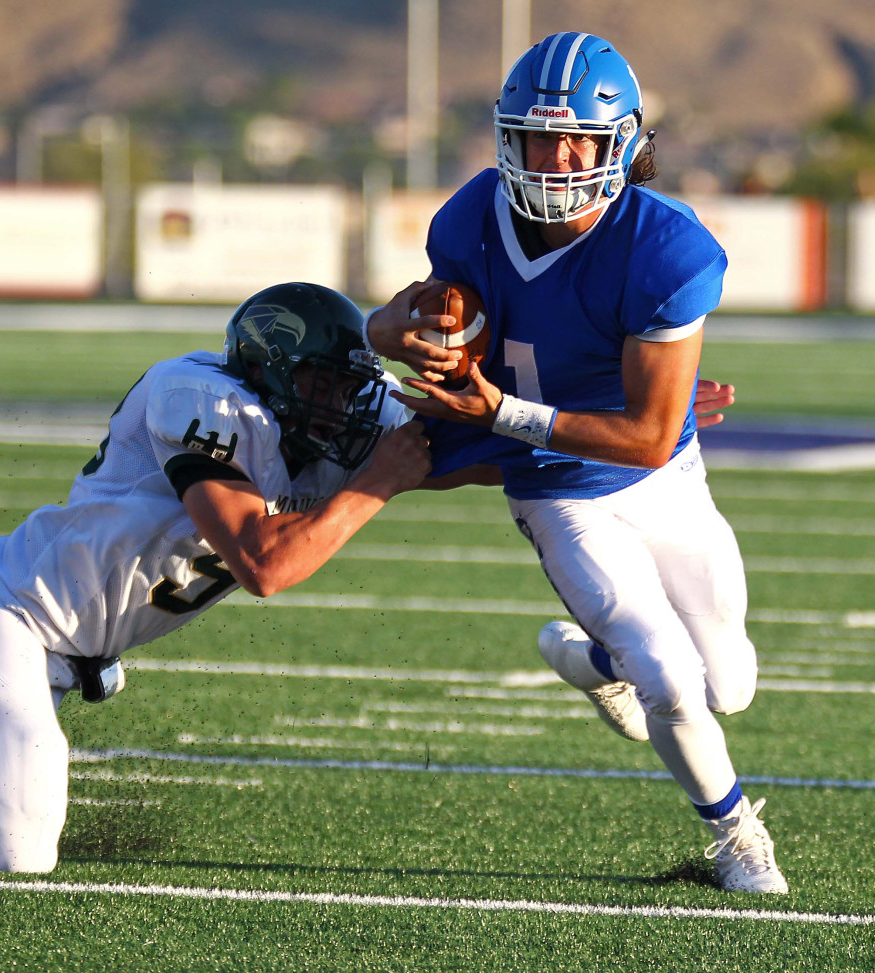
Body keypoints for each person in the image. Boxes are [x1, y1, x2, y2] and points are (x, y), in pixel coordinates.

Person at [367, 32, 787, 894]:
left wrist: (505, 410)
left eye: (579, 142)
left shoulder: (667, 247)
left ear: (623, 145)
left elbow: (643, 433)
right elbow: (425, 326)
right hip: (557, 487)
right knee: (669, 679)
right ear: (503, 136)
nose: (555, 160)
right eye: (535, 137)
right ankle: (738, 837)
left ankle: (591, 661)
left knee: (730, 684)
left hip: (661, 475)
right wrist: (410, 331)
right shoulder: (470, 219)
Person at [0, 282, 432, 873]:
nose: (340, 405)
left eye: (348, 386)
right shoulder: (203, 400)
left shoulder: (345, 422)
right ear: (263, 370)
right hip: (10, 622)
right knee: (12, 852)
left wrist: (504, 406)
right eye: (322, 383)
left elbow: (466, 450)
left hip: (43, 644)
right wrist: (377, 481)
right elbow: (264, 564)